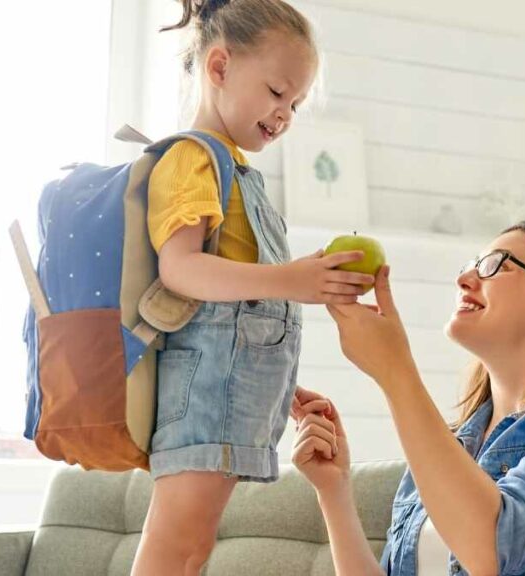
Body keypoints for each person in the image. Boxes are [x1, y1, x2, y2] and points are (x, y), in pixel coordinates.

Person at [130, 1, 375, 574]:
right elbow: (181, 270)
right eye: (276, 92)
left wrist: (279, 386)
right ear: (219, 68)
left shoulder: (237, 171)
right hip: (203, 396)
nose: (285, 113)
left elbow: (238, 315)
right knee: (177, 544)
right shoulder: (193, 158)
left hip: (227, 393)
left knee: (191, 547)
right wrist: (294, 279)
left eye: (294, 103)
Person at [291, 221, 525, 575]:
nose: (464, 278)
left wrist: (396, 373)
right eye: (470, 264)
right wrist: (334, 490)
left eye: (494, 265)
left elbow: (494, 548)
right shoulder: (449, 447)